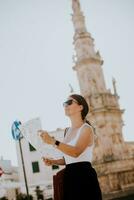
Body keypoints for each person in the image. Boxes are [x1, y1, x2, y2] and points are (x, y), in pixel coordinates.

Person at [39, 94, 102, 200]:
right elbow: (68, 159)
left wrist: (53, 141)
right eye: (64, 104)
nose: (65, 106)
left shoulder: (87, 129)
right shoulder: (66, 131)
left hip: (84, 176)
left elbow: (76, 152)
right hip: (69, 177)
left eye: (69, 103)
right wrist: (53, 162)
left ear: (80, 107)